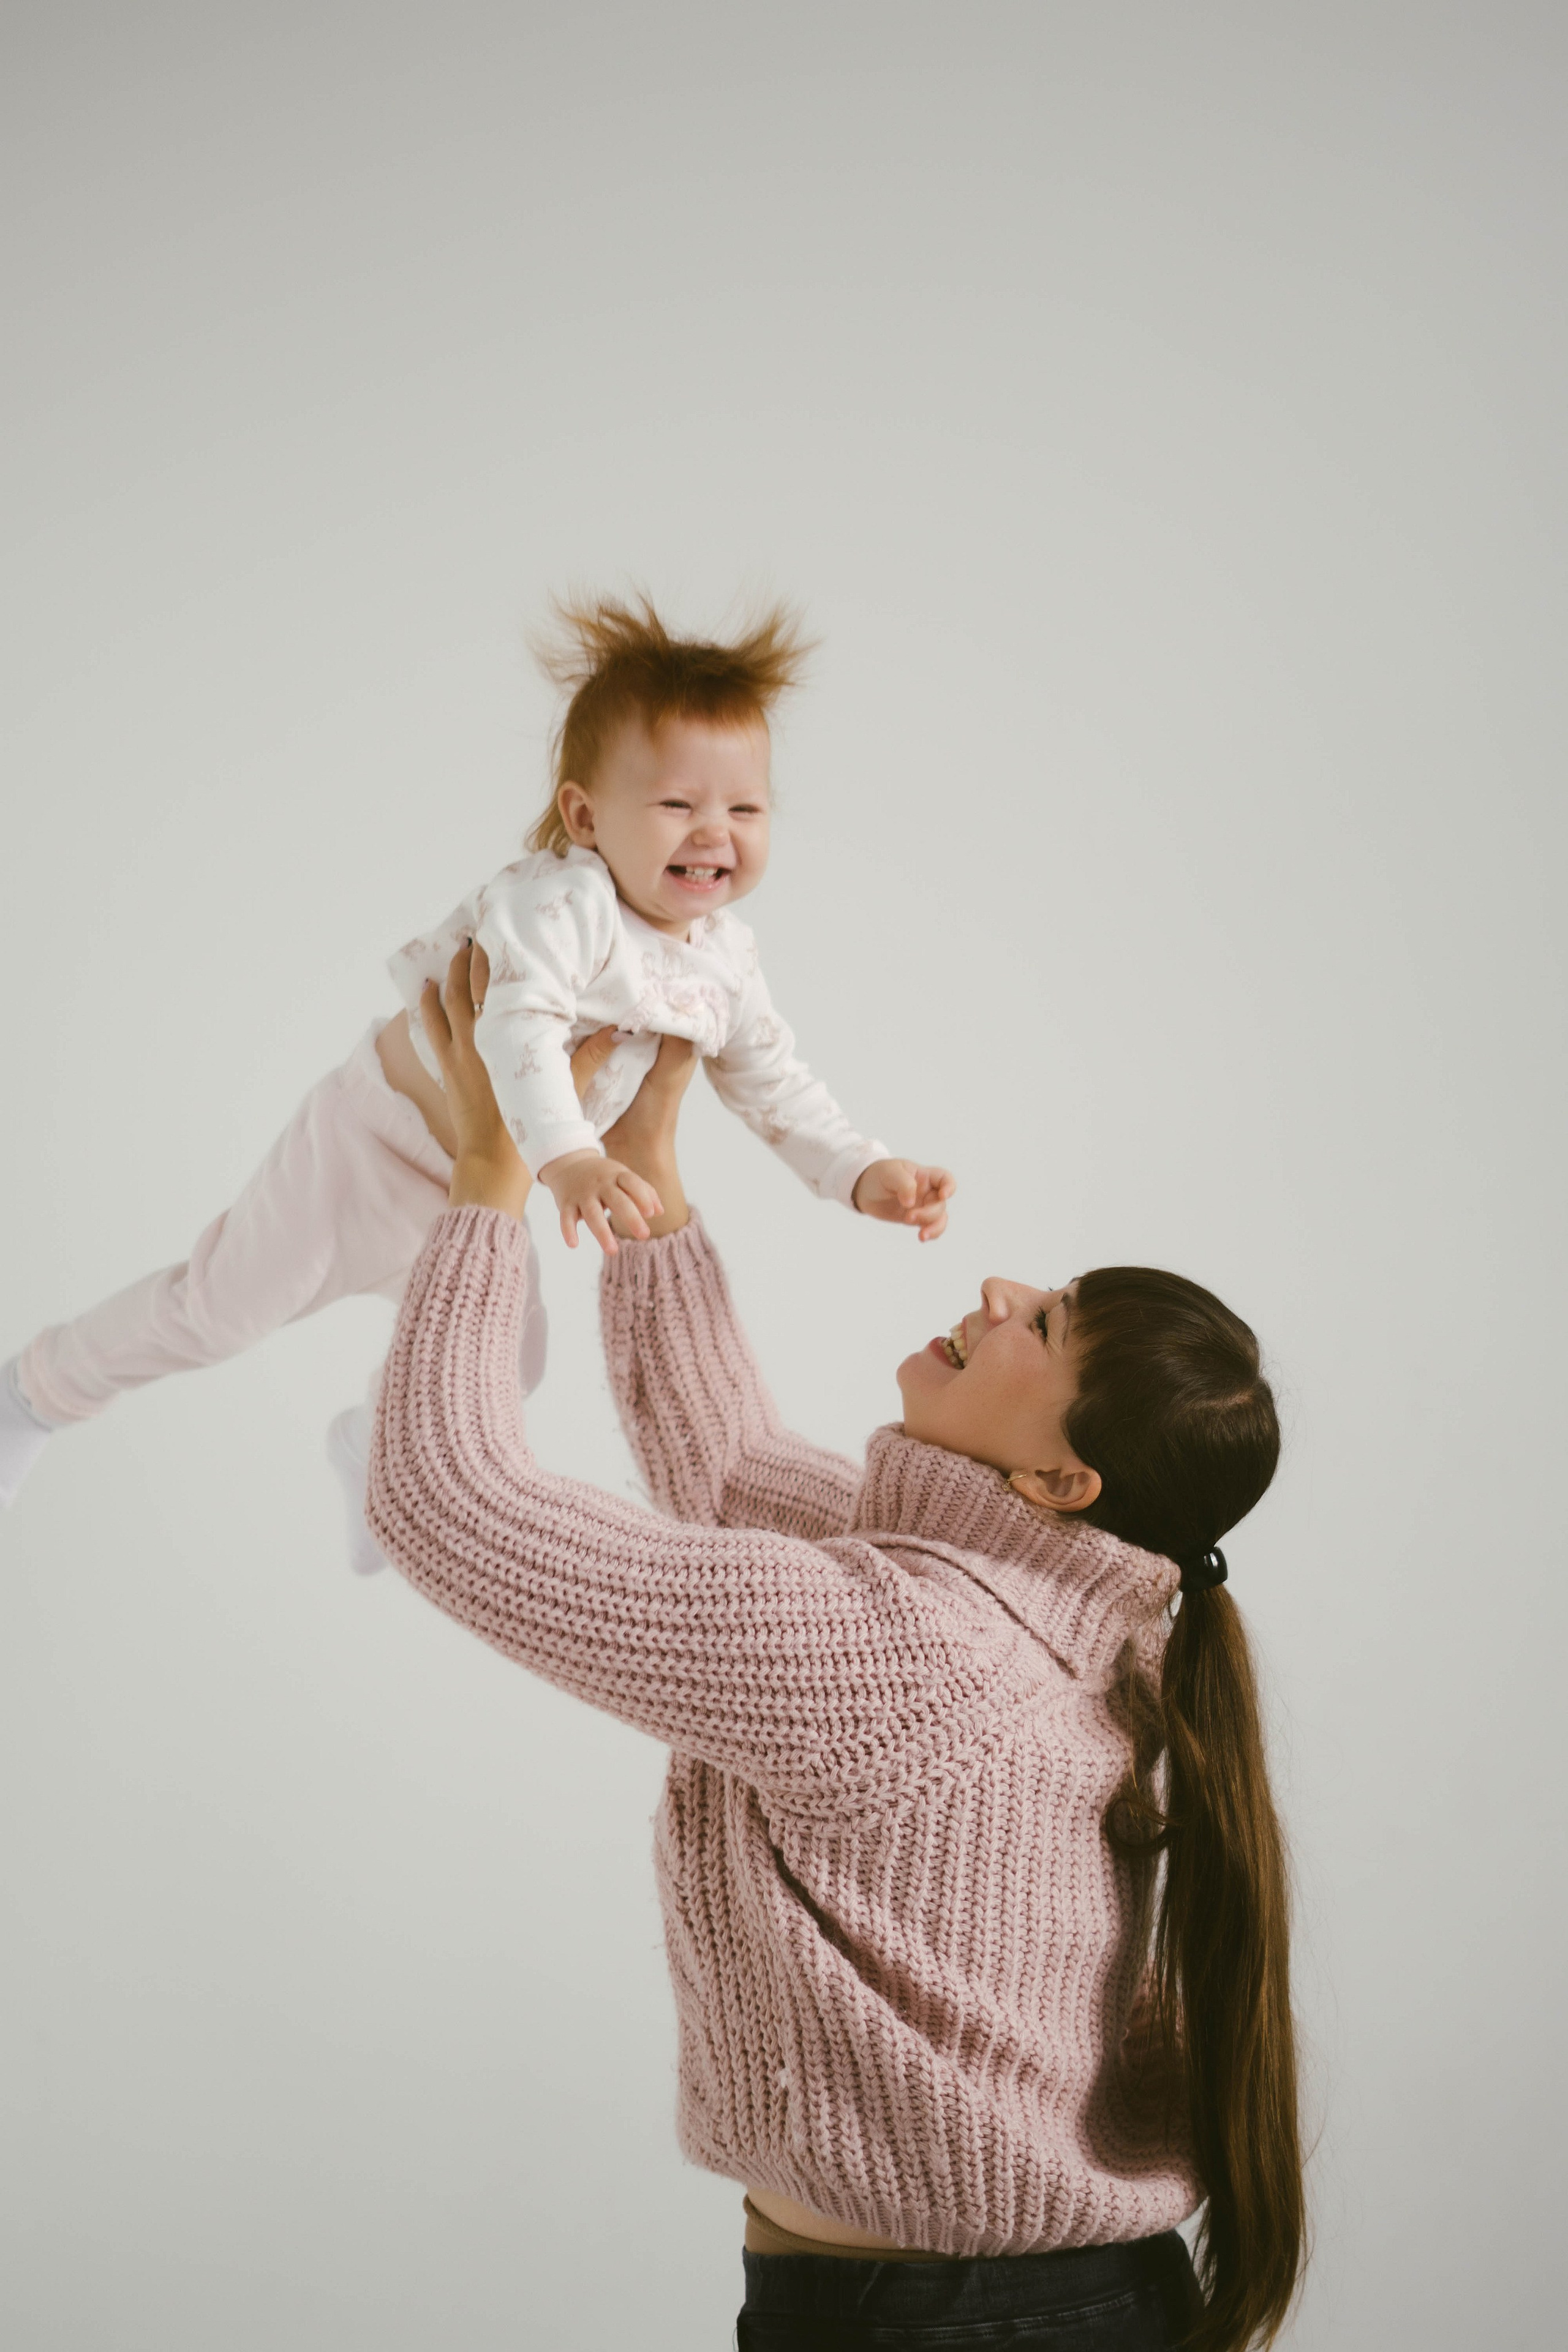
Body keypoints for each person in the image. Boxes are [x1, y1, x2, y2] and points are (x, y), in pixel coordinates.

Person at [364, 943, 1307, 2351]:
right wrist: (647, 1183)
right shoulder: (1043, 1609)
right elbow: (734, 1475)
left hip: (951, 2328)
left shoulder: (919, 1651)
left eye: (1043, 1325)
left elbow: (449, 1504)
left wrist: (489, 1181)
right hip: (1013, 2309)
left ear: (1062, 1481)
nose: (997, 1289)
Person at [0, 595, 952, 1544]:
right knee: (218, 1313)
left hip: (474, 1197)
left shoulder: (726, 958)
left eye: (745, 808)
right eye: (678, 805)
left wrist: (859, 1169)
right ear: (585, 814)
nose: (715, 832)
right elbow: (516, 1029)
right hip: (367, 1147)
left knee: (510, 1368)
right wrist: (571, 1158)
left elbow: (774, 1079)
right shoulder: (561, 902)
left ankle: (371, 1448)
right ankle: (33, 1394)